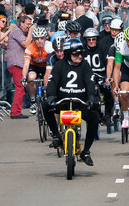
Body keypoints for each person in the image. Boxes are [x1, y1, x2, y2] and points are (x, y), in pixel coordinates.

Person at [45, 38, 99, 166]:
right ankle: (56, 136)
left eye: (81, 53)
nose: (79, 56)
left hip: (80, 103)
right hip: (62, 102)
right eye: (75, 54)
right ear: (68, 54)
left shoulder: (85, 66)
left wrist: (92, 98)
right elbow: (52, 82)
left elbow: (91, 82)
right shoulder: (59, 65)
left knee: (95, 116)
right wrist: (51, 96)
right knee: (45, 105)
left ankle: (86, 152)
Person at [7, 15, 35, 119]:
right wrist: (31, 31)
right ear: (21, 23)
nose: (29, 26)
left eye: (30, 24)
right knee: (20, 87)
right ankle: (15, 112)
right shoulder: (16, 31)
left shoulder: (20, 32)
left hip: (19, 64)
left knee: (22, 87)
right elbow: (26, 44)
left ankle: (17, 111)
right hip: (16, 63)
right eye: (28, 24)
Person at [21, 27, 49, 114]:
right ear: (33, 39)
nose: (39, 41)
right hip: (34, 67)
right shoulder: (29, 48)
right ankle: (33, 102)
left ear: (45, 38)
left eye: (42, 38)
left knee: (48, 78)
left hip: (46, 67)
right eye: (37, 39)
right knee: (31, 77)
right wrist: (24, 78)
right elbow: (26, 65)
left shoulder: (49, 46)